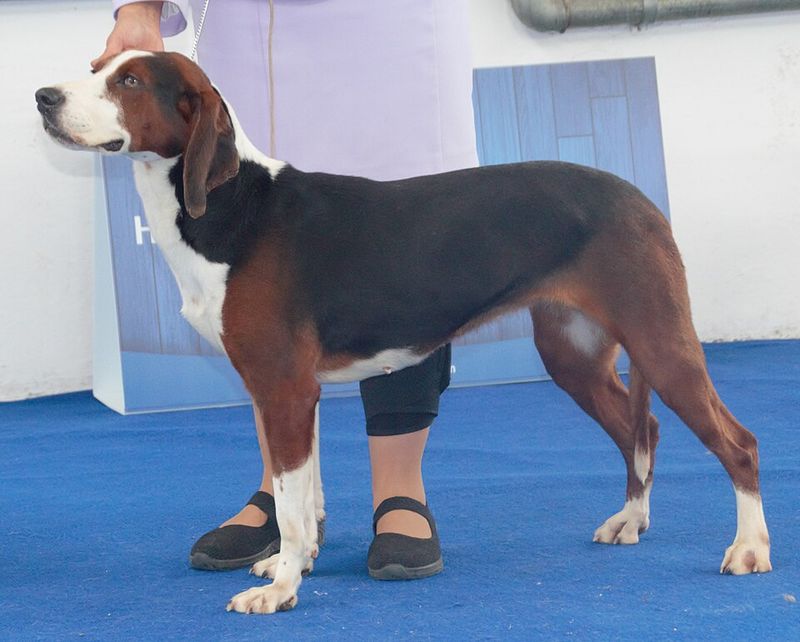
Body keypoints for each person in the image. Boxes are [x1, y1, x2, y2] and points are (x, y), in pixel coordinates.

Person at [95, 0, 477, 580]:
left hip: (384, 29)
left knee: (400, 245)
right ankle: (283, 491)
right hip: (251, 28)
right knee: (264, 279)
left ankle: (400, 493)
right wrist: (142, 7)